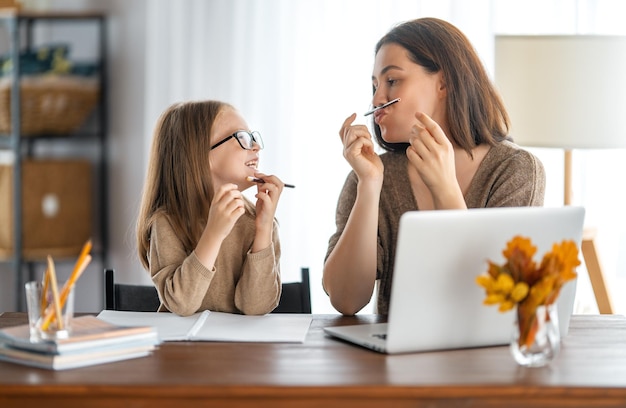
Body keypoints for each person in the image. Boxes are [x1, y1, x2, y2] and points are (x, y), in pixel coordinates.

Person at [323, 17, 546, 316]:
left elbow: (495, 300)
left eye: (392, 81)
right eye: (374, 85)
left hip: (483, 358)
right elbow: (346, 300)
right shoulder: (370, 174)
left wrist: (445, 189)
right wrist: (369, 186)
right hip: (393, 357)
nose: (377, 99)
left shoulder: (515, 171)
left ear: (444, 83)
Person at [137, 100, 286, 316]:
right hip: (182, 348)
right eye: (243, 137)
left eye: (254, 137)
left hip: (240, 348)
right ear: (201, 154)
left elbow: (256, 307)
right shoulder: (167, 222)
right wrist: (214, 234)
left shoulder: (258, 220)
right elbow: (181, 304)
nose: (256, 146)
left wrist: (263, 229)